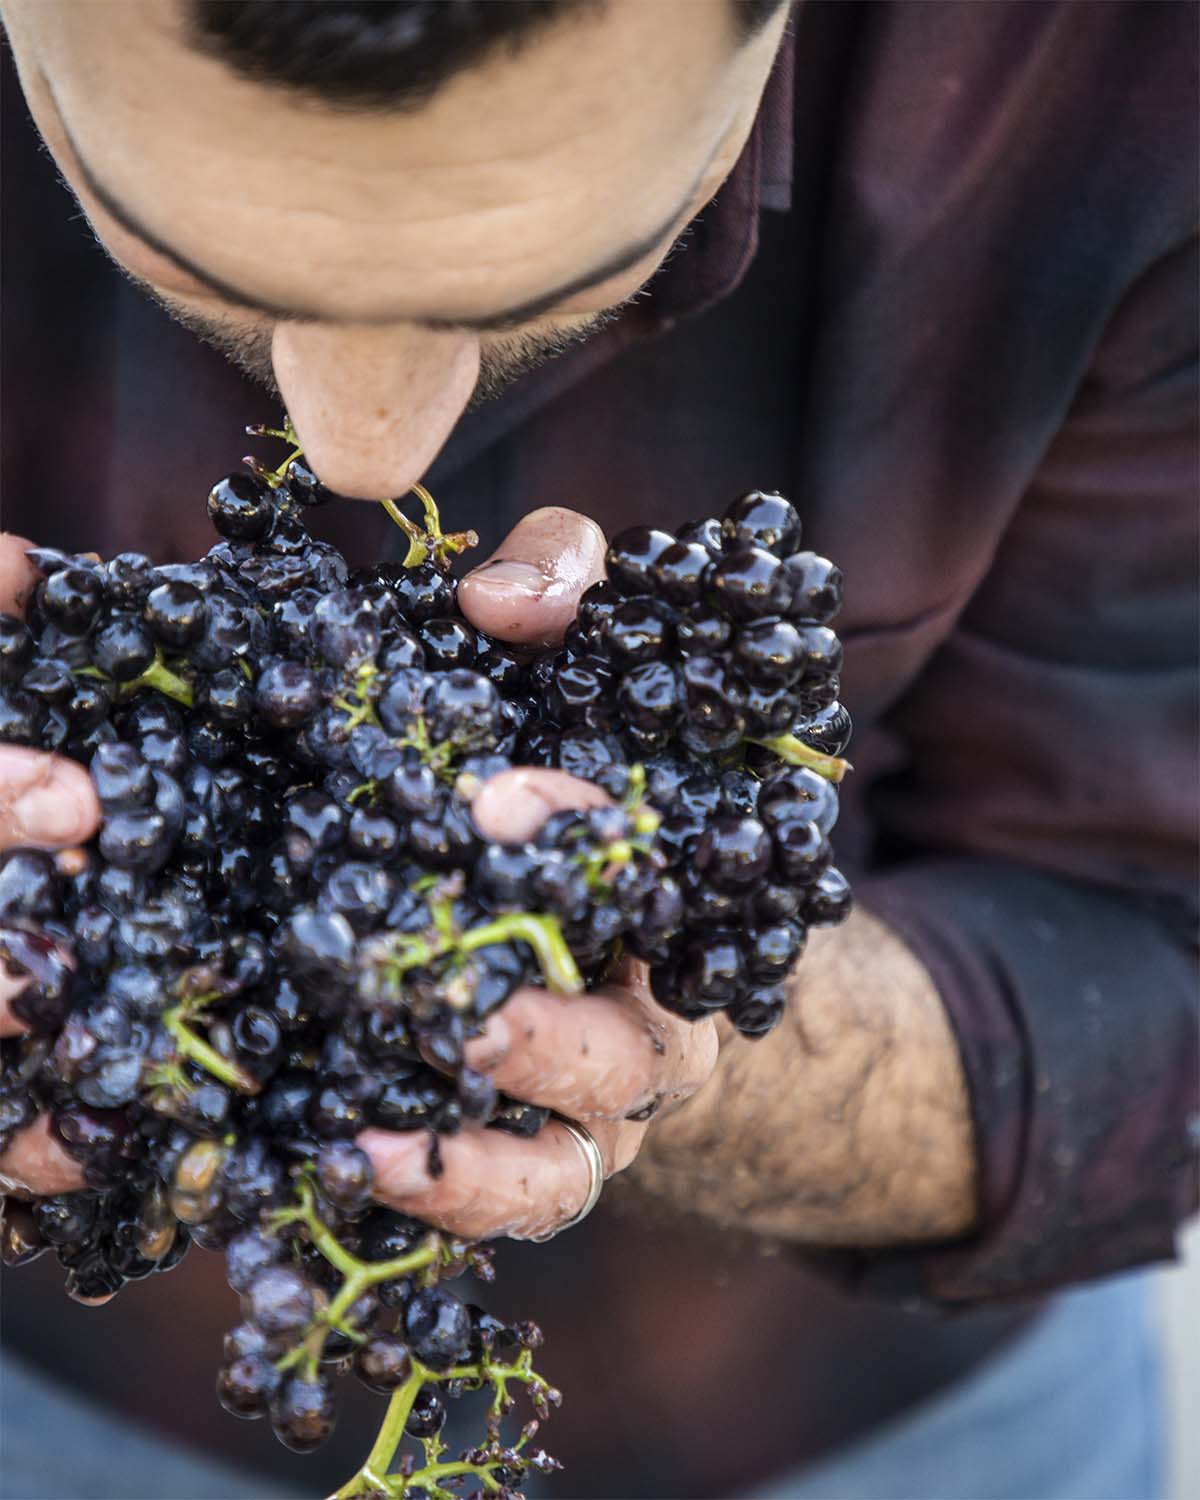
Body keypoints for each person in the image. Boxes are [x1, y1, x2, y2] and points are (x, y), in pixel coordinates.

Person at [0, 3, 1195, 1497]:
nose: (368, 448)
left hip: (885, 1431)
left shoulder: (1120, 71)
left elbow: (1154, 969)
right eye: (176, 253)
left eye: (544, 281)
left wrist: (677, 1031)